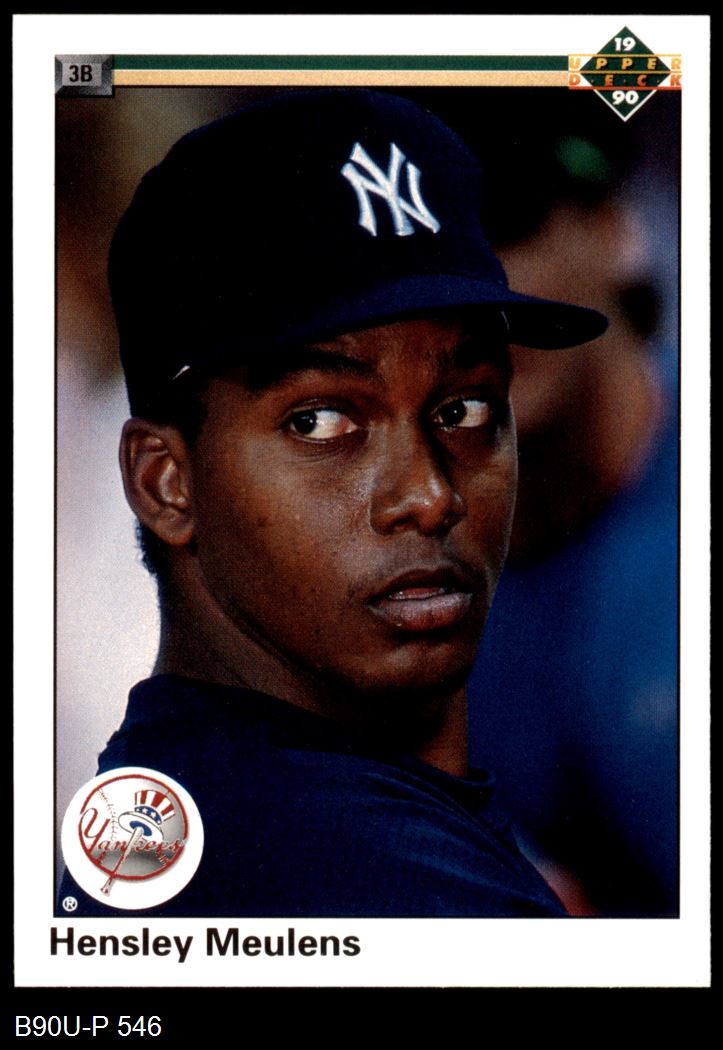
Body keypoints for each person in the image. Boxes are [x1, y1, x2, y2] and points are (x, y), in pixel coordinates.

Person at [59, 88, 607, 917]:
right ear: (166, 481)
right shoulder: (346, 882)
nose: (428, 495)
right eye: (320, 421)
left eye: (463, 409)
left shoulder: (204, 813)